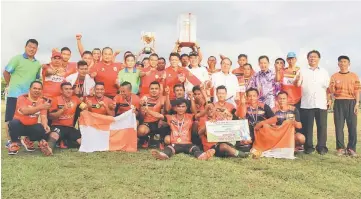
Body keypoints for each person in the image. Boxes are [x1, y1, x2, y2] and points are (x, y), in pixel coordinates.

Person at [3, 39, 42, 148]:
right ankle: (11, 141)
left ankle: (24, 139)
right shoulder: (17, 59)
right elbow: (6, 72)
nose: (31, 49)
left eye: (34, 48)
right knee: (10, 118)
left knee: (27, 118)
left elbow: (36, 79)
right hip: (14, 94)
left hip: (28, 98)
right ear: (25, 47)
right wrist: (10, 84)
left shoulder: (37, 64)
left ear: (37, 50)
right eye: (30, 46)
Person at [150, 98, 216, 160]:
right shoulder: (170, 117)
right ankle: (163, 155)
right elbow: (159, 115)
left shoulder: (190, 117)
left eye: (183, 106)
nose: (181, 109)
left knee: (195, 149)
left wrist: (206, 109)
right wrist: (148, 110)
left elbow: (199, 115)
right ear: (175, 108)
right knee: (168, 149)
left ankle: (203, 156)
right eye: (179, 106)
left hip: (188, 144)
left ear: (186, 108)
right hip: (175, 144)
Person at [295, 50, 331, 155]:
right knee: (307, 127)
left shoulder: (324, 72)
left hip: (321, 103)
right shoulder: (302, 71)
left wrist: (329, 99)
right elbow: (297, 84)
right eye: (311, 57)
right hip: (307, 104)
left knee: (322, 126)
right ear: (307, 59)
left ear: (319, 59)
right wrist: (297, 80)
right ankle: (309, 147)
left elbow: (328, 87)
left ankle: (321, 147)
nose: (313, 58)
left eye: (315, 57)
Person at [7, 81, 53, 156]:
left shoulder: (42, 101)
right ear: (30, 89)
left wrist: (45, 125)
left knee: (41, 127)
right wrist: (40, 107)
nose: (37, 90)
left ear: (41, 90)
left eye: (39, 89)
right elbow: (25, 111)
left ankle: (29, 141)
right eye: (34, 88)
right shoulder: (22, 98)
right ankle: (14, 143)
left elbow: (43, 116)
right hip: (19, 127)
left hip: (31, 126)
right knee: (13, 122)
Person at [329, 55, 360, 157]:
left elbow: (357, 90)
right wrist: (332, 87)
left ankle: (351, 148)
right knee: (339, 127)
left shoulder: (354, 76)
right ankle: (340, 148)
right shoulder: (334, 76)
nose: (343, 63)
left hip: (351, 102)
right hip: (338, 102)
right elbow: (332, 92)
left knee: (352, 127)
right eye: (341, 62)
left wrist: (357, 103)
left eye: (345, 62)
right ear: (338, 64)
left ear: (349, 64)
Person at [47, 82, 87, 152]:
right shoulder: (56, 99)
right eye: (66, 89)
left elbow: (85, 108)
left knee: (82, 142)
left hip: (70, 127)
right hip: (58, 126)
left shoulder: (76, 99)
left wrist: (88, 105)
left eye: (70, 89)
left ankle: (65, 142)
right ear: (61, 91)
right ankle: (48, 149)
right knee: (54, 135)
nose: (69, 91)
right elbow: (51, 116)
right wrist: (62, 110)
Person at [138, 81, 168, 149]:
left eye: (156, 89)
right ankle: (146, 138)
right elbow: (141, 115)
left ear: (160, 90)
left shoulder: (163, 98)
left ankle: (161, 140)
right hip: (147, 122)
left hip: (159, 122)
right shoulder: (144, 98)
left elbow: (165, 113)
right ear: (149, 89)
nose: (154, 90)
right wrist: (141, 106)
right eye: (152, 89)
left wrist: (161, 120)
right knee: (141, 131)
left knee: (165, 122)